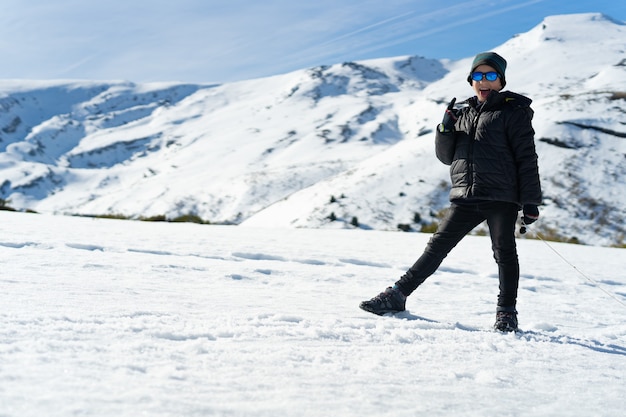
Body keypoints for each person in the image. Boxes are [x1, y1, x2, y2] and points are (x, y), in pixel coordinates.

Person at [359, 52, 542, 332]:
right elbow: (447, 157)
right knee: (436, 247)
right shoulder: (463, 113)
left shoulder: (512, 112)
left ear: (501, 81)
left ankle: (506, 312)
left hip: (501, 196)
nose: (484, 81)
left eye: (491, 76)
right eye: (478, 76)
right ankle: (397, 295)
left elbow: (526, 158)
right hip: (466, 196)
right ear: (471, 81)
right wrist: (444, 129)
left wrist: (529, 201)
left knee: (504, 253)